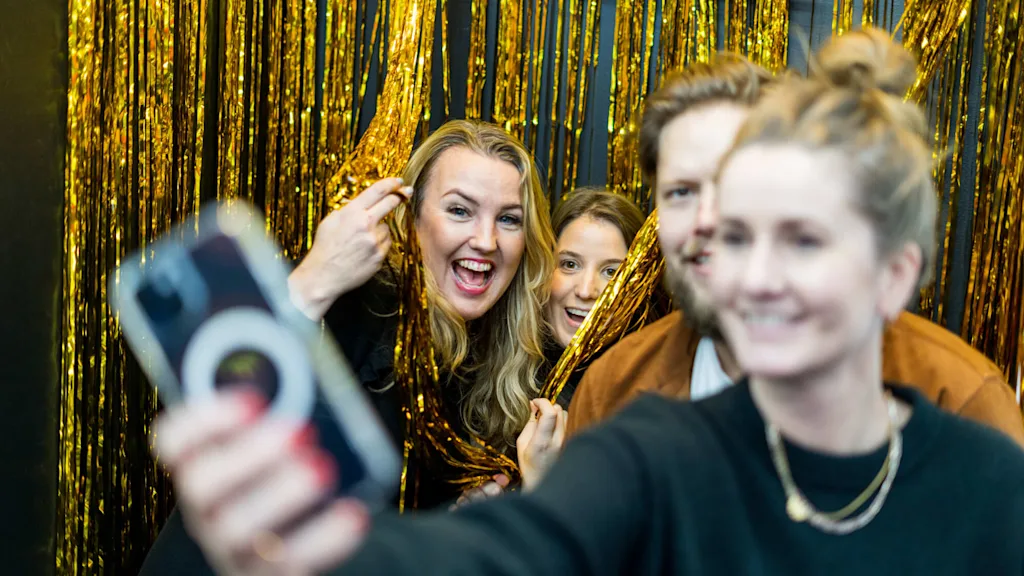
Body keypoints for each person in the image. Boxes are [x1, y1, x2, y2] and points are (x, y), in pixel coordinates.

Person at [148, 29, 1024, 575]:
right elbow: (514, 553)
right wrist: (320, 552)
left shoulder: (983, 458)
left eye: (798, 234)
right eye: (683, 197)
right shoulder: (639, 417)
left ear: (893, 274)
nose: (739, 255)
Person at [138, 119, 556, 574]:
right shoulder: (359, 305)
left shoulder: (490, 364)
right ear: (411, 221)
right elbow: (216, 392)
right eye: (460, 210)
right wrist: (319, 275)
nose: (485, 240)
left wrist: (448, 531)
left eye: (509, 219)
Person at [563, 53, 1024, 444]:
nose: (708, 220)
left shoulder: (958, 401)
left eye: (732, 182)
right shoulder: (613, 393)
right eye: (681, 192)